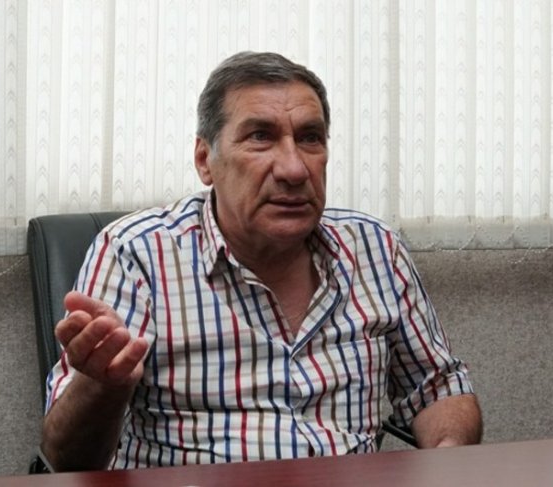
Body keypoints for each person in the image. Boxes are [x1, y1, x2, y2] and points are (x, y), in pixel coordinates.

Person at [39, 51, 482, 472]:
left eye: (310, 138)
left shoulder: (375, 247)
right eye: (260, 137)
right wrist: (102, 385)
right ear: (205, 161)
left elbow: (437, 386)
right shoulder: (137, 253)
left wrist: (448, 457)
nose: (294, 169)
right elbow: (65, 458)